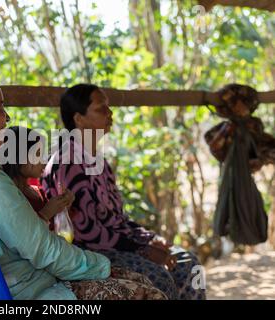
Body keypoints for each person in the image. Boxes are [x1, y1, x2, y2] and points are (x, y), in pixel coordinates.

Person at [0, 59, 167, 300]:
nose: (7, 118)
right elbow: (44, 251)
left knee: (139, 280)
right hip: (30, 291)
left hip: (8, 285)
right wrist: (103, 266)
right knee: (149, 292)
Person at [41, 84, 207, 300]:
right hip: (90, 254)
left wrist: (148, 239)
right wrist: (142, 250)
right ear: (79, 119)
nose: (110, 113)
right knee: (159, 278)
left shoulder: (98, 162)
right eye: (101, 109)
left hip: (118, 244)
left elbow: (117, 219)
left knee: (188, 264)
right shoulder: (68, 163)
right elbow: (87, 234)